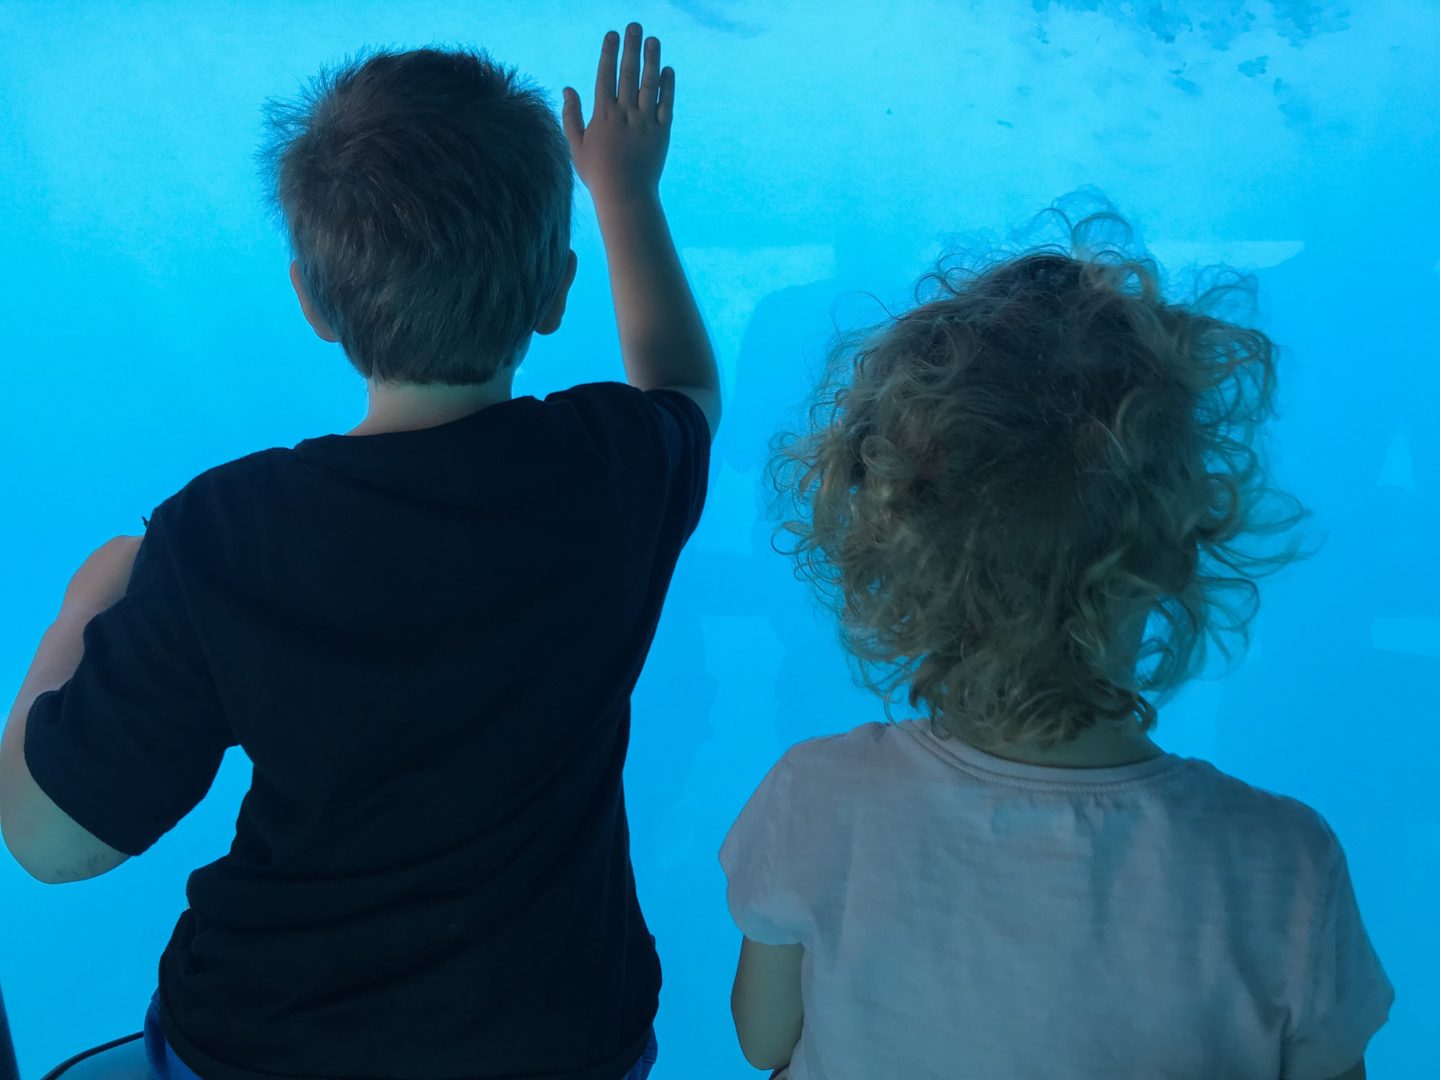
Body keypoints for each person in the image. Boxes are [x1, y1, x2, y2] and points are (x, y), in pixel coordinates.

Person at [1, 22, 723, 1080]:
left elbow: (55, 846)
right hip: (563, 1037)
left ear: (312, 301)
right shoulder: (609, 473)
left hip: (270, 1042)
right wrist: (627, 195)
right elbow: (685, 393)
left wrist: (83, 608)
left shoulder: (217, 538)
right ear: (556, 290)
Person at [715, 200, 1396, 1077]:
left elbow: (764, 1039)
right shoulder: (1284, 868)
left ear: (890, 542)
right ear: (1176, 547)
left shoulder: (816, 797)